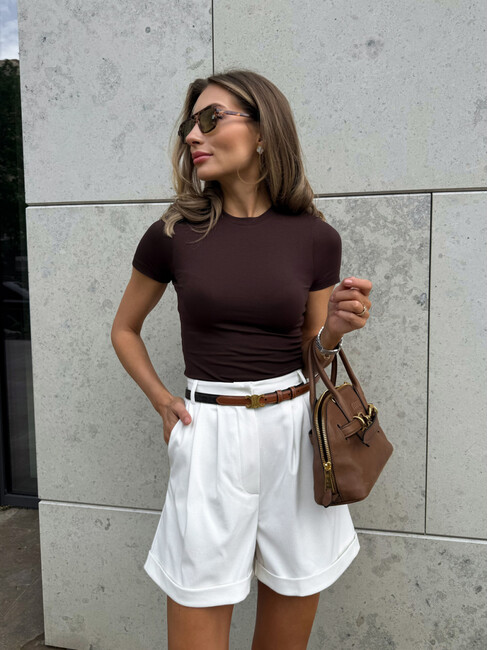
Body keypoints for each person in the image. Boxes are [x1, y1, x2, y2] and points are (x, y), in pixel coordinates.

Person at [111, 68, 372, 650]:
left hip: (294, 437)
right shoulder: (173, 234)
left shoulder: (315, 238)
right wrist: (162, 401)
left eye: (211, 119)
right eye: (189, 124)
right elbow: (124, 329)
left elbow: (313, 353)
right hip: (209, 435)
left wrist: (334, 330)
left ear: (262, 130)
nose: (192, 136)